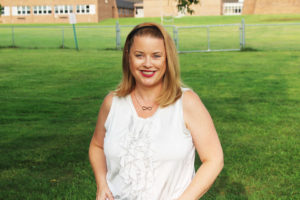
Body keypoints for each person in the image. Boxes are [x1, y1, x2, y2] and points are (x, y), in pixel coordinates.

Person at [89, 22, 224, 200]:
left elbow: (214, 159)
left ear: (167, 59)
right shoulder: (112, 103)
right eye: (139, 55)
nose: (147, 63)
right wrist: (102, 183)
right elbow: (97, 146)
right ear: (128, 57)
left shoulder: (186, 102)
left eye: (156, 56)